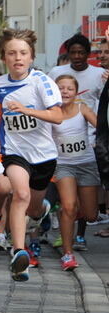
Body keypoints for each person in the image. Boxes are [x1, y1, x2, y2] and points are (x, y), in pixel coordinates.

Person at [0, 29, 62, 282]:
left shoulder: (41, 82)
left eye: (23, 53)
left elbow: (57, 116)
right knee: (19, 194)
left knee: (32, 208)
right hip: (15, 152)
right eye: (12, 53)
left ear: (31, 57)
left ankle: (40, 210)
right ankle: (19, 254)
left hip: (43, 156)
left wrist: (28, 111)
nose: (18, 58)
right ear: (4, 58)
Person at [52, 74, 98, 270]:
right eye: (61, 88)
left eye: (69, 88)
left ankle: (70, 209)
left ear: (76, 92)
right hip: (63, 166)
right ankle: (68, 254)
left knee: (90, 216)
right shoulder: (51, 113)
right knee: (69, 207)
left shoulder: (82, 108)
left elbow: (101, 127)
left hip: (87, 164)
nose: (65, 92)